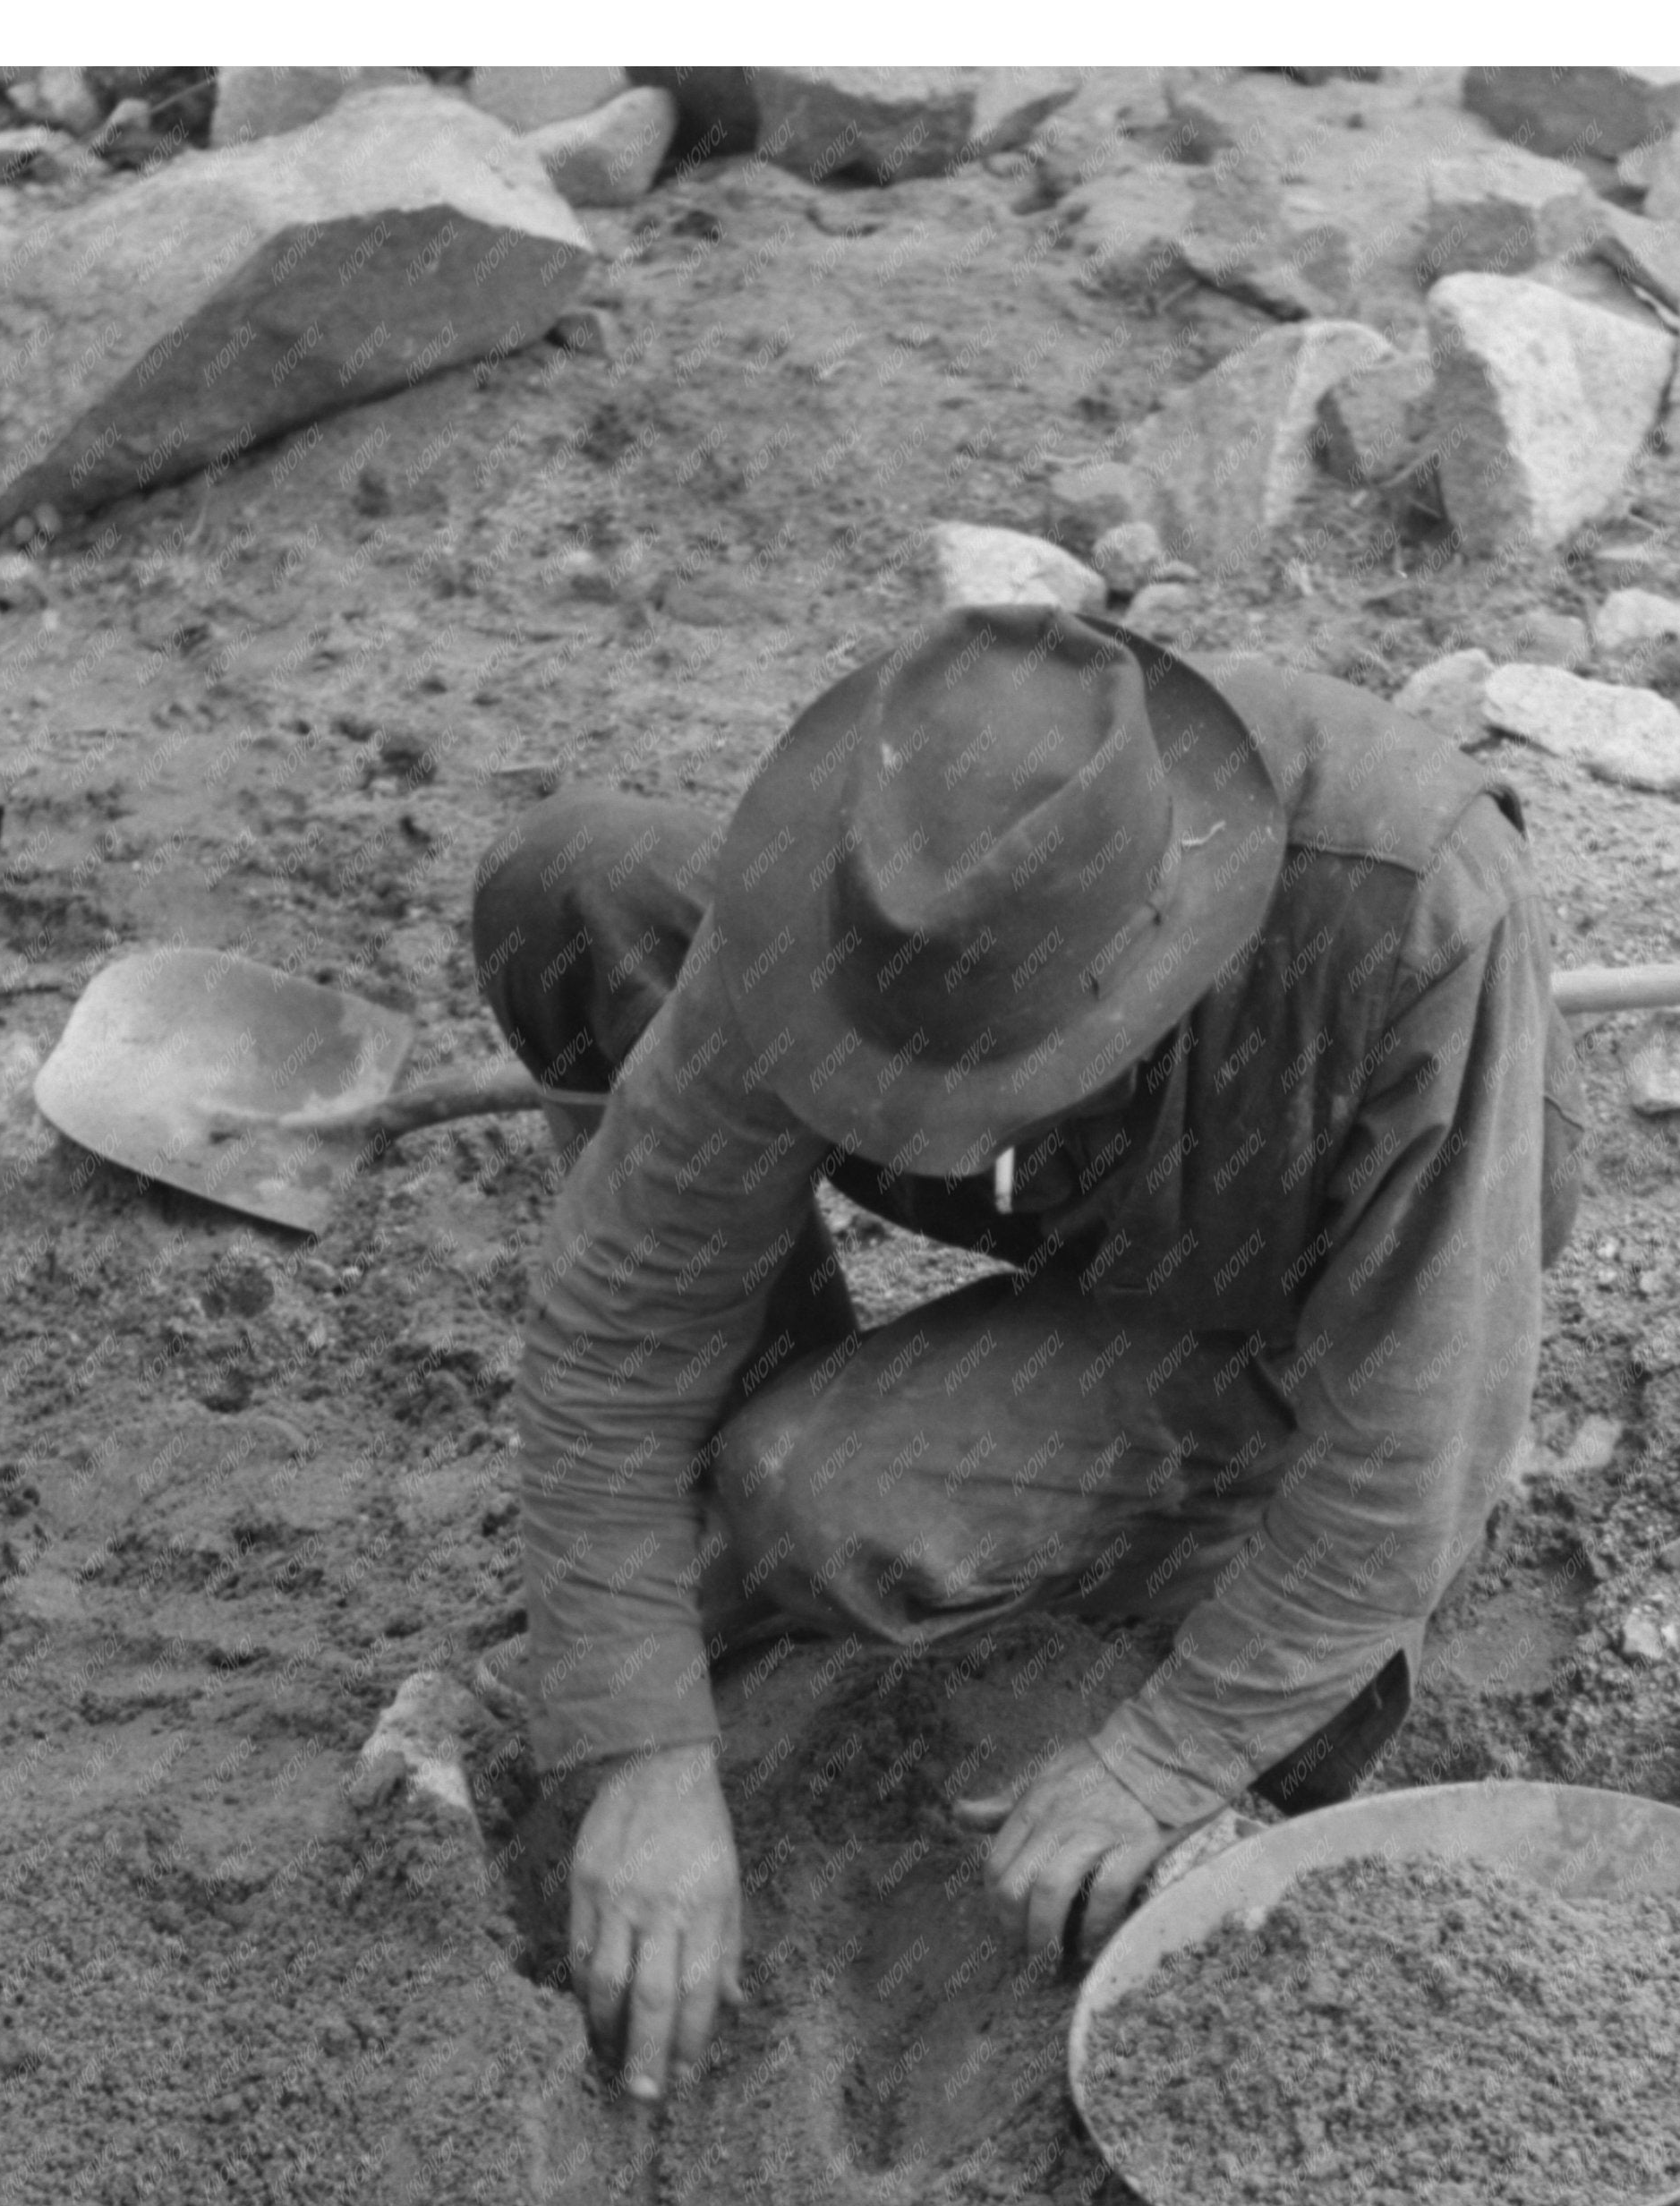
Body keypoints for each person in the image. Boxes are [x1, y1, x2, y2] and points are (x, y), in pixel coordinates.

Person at [472, 604, 1585, 2101]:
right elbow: (618, 1331)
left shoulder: (1415, 917)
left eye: (971, 1075)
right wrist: (641, 1748)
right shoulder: (874, 884)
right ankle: (742, 1495)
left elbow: (1419, 1435)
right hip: (1081, 1171)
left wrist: (1167, 1756)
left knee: (812, 1491)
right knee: (579, 883)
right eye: (886, 1065)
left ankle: (1181, 1515)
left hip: (1285, 1284)